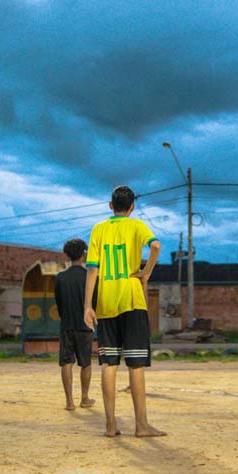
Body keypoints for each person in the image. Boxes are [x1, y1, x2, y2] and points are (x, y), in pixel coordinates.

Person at [83, 185, 165, 438]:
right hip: (132, 300)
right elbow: (156, 247)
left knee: (109, 364)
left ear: (111, 206)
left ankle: (110, 426)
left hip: (106, 302)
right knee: (135, 365)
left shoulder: (98, 229)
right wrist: (146, 272)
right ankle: (141, 426)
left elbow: (93, 270)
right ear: (132, 207)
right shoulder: (137, 226)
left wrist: (88, 305)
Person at [54, 238, 96, 411]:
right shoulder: (90, 277)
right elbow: (94, 302)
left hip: (67, 325)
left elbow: (59, 303)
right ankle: (84, 398)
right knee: (85, 363)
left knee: (66, 362)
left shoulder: (61, 277)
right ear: (83, 254)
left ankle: (69, 402)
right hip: (85, 327)